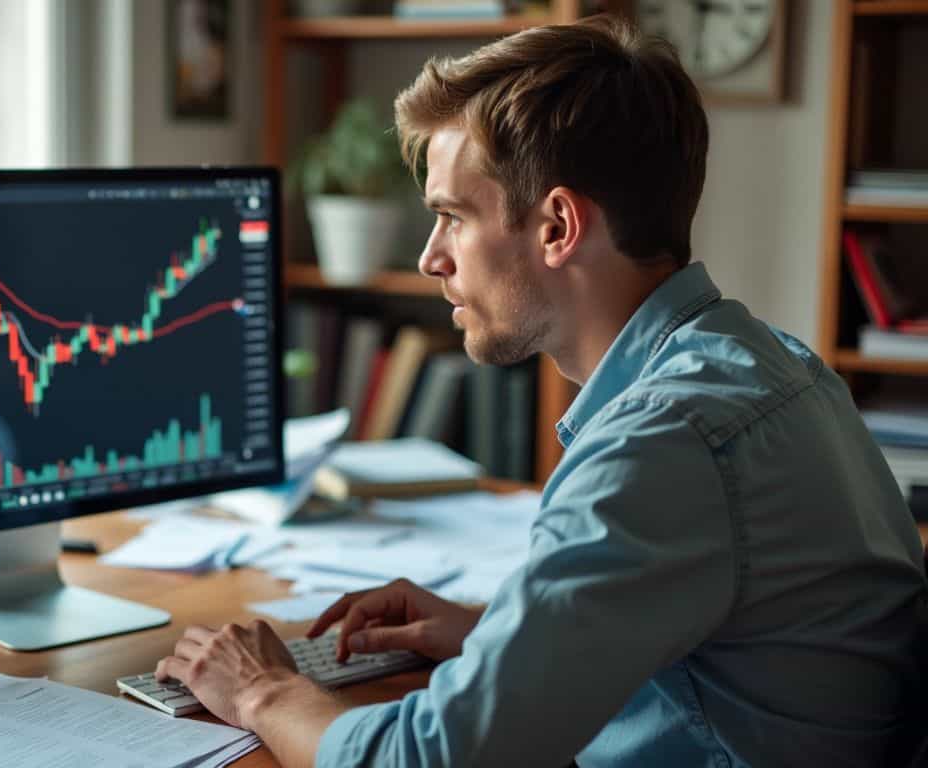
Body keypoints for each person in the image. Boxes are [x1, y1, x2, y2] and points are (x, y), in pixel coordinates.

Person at [152, 14, 928, 768]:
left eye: (452, 217)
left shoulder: (662, 441)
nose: (430, 258)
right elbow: (737, 641)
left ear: (558, 227)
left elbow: (436, 760)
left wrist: (263, 692)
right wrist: (497, 633)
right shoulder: (776, 367)